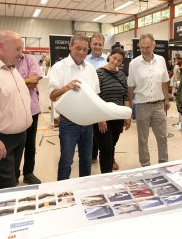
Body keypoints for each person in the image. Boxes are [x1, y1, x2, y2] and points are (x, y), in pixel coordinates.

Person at [48, 34, 100, 180]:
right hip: (68, 123)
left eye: (85, 49)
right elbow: (52, 96)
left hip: (87, 123)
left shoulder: (90, 68)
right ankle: (62, 191)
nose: (82, 52)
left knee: (86, 160)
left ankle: (84, 189)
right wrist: (66, 87)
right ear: (70, 47)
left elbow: (95, 95)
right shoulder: (58, 68)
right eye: (78, 48)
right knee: (66, 161)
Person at [0, 30, 32, 191]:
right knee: (4, 188)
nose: (21, 54)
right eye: (18, 49)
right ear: (1, 46)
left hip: (18, 138)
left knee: (12, 181)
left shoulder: (9, 66)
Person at [128, 33, 170, 167]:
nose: (145, 50)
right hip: (141, 106)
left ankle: (163, 163)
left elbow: (164, 82)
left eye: (148, 47)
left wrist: (167, 100)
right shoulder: (134, 64)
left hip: (158, 105)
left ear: (153, 46)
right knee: (143, 139)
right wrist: (129, 107)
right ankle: (145, 164)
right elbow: (130, 86)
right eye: (142, 47)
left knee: (162, 137)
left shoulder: (161, 60)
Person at [94, 47, 131, 173]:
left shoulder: (121, 75)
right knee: (106, 148)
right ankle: (105, 175)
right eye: (114, 58)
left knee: (112, 145)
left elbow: (125, 96)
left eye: (119, 61)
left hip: (118, 117)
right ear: (109, 56)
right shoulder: (98, 73)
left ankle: (109, 171)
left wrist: (127, 115)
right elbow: (96, 96)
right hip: (102, 117)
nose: (116, 62)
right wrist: (100, 117)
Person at [16, 52, 43, 184]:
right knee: (14, 144)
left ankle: (28, 173)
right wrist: (26, 81)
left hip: (31, 109)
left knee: (30, 144)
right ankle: (13, 174)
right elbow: (29, 81)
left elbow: (34, 82)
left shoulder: (29, 59)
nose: (19, 50)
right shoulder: (4, 61)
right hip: (12, 111)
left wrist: (15, 83)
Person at [86, 32, 108, 166]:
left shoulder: (108, 60)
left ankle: (107, 156)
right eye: (95, 44)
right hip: (88, 99)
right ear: (90, 44)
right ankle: (91, 155)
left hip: (104, 98)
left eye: (100, 44)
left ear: (103, 45)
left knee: (105, 130)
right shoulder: (84, 59)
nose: (97, 46)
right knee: (90, 129)